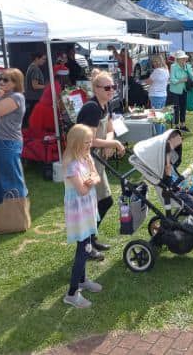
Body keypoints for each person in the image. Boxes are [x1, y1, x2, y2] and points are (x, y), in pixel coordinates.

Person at [74, 71, 126, 258]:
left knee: (103, 201)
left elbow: (110, 128)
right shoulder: (92, 108)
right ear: (95, 89)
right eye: (107, 87)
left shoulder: (106, 104)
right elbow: (91, 140)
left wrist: (110, 142)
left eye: (113, 86)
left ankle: (91, 239)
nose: (111, 90)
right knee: (94, 204)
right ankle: (86, 246)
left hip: (97, 160)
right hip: (86, 161)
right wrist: (113, 143)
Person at [60, 125, 105, 308]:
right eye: (86, 142)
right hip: (78, 212)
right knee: (84, 249)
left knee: (86, 245)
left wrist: (93, 179)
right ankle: (71, 293)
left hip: (87, 208)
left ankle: (82, 280)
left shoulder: (86, 157)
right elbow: (82, 190)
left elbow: (96, 176)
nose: (89, 145)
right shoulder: (71, 165)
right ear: (76, 143)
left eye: (90, 142)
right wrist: (91, 181)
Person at [0, 69, 27, 207]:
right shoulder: (1, 95)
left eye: (5, 79)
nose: (1, 82)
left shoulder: (16, 97)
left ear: (16, 83)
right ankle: (1, 210)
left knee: (11, 180)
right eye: (0, 78)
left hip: (7, 143)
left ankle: (17, 212)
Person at [168, 51, 193, 132]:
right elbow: (172, 79)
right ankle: (176, 126)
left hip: (184, 89)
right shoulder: (173, 66)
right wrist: (181, 80)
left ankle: (183, 125)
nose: (184, 59)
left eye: (184, 58)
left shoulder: (187, 66)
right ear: (178, 59)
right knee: (176, 108)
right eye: (182, 58)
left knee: (183, 107)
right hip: (175, 90)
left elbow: (192, 75)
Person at [24, 51, 49, 125]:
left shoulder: (31, 67)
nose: (44, 61)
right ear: (37, 59)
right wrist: (46, 86)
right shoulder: (35, 69)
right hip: (34, 98)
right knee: (34, 119)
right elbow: (35, 86)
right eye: (43, 59)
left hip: (31, 97)